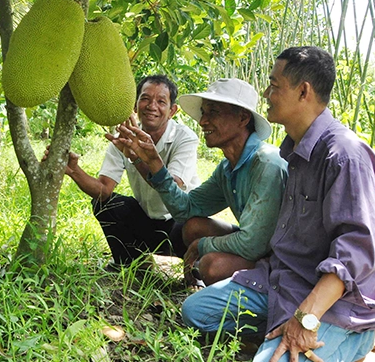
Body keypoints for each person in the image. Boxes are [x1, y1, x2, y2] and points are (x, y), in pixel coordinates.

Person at [180, 47, 375, 362]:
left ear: (303, 91)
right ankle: (286, 332)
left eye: (274, 85)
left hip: (337, 301)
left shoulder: (344, 154)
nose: (266, 95)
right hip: (288, 280)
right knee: (195, 313)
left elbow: (354, 254)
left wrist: (305, 320)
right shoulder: (292, 152)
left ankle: (355, 339)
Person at [117, 78, 287, 286]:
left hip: (282, 256)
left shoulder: (267, 164)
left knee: (211, 266)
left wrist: (201, 245)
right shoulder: (227, 169)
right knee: (193, 227)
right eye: (204, 113)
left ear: (242, 119)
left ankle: (267, 289)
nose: (203, 121)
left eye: (213, 112)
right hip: (258, 244)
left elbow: (253, 244)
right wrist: (154, 165)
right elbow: (185, 209)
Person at [55, 74, 200, 268]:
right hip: (146, 223)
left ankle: (194, 266)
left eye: (161, 101)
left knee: (195, 226)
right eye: (145, 99)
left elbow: (173, 186)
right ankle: (133, 262)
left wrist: (136, 158)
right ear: (135, 105)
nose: (151, 106)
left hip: (179, 225)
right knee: (105, 204)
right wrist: (74, 171)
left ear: (172, 110)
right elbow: (104, 190)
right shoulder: (123, 138)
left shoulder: (185, 138)